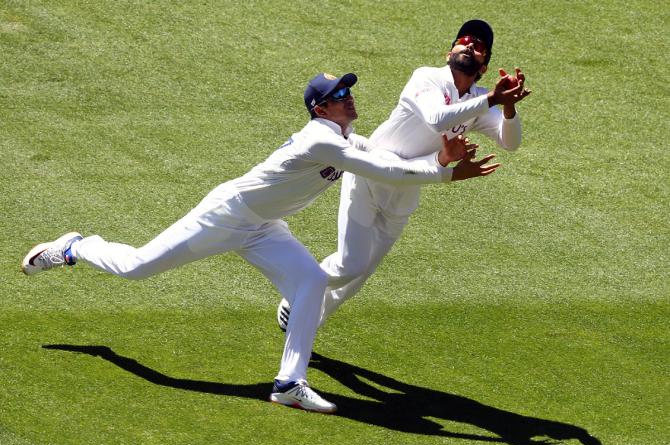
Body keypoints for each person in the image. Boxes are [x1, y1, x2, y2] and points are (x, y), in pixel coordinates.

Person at [22, 71, 499, 414]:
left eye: (349, 90)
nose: (350, 97)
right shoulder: (321, 140)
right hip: (228, 216)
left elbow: (385, 158)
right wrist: (445, 170)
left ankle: (290, 382)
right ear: (320, 108)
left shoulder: (348, 137)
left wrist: (443, 161)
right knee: (137, 267)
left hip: (267, 227)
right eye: (339, 94)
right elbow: (385, 170)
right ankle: (75, 246)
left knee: (311, 281)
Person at [277, 20, 532, 332]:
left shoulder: (477, 102)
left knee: (358, 277)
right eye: (464, 39)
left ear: (483, 66)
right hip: (372, 171)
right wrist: (493, 99)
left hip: (408, 187)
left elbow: (511, 142)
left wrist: (508, 108)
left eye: (479, 46)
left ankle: (306, 325)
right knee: (349, 264)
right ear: (449, 50)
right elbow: (437, 119)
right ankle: (300, 289)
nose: (470, 45)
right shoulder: (427, 78)